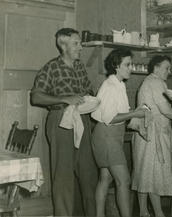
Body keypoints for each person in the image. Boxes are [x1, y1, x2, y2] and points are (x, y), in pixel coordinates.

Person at [30, 28, 98, 216]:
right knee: (63, 177)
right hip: (60, 120)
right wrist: (65, 99)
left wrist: (90, 99)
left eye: (80, 43)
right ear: (63, 45)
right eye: (76, 43)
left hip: (82, 119)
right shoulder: (51, 67)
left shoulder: (80, 67)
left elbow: (88, 91)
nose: (81, 47)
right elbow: (36, 97)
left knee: (88, 174)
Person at [91, 49, 147, 217]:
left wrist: (137, 125)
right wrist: (135, 114)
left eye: (131, 64)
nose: (131, 68)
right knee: (124, 181)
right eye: (127, 65)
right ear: (116, 66)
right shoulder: (110, 86)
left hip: (110, 135)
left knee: (105, 179)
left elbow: (121, 116)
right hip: (107, 135)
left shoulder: (119, 84)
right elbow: (110, 118)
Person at [132, 55, 172, 217]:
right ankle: (159, 214)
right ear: (156, 68)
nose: (169, 72)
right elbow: (165, 109)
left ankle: (143, 211)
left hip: (145, 133)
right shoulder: (156, 82)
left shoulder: (148, 81)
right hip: (153, 135)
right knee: (152, 175)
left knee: (144, 173)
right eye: (166, 68)